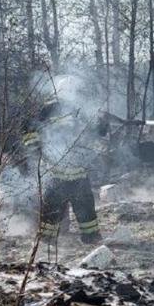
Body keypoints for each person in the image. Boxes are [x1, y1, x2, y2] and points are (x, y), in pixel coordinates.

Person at [21, 77, 107, 244]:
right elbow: (27, 126)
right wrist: (36, 148)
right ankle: (47, 242)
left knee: (85, 208)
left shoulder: (78, 109)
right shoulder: (47, 109)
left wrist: (102, 122)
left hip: (77, 170)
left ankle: (90, 238)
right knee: (53, 208)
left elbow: (96, 131)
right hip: (57, 170)